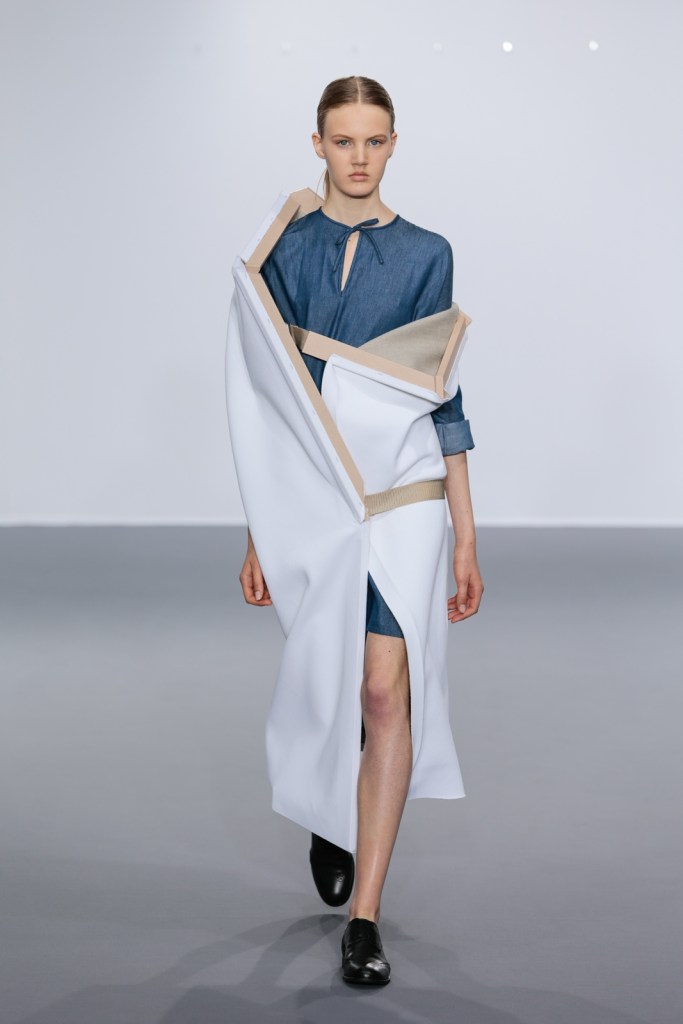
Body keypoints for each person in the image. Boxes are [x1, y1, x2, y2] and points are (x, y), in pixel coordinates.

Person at [237, 75, 484, 985]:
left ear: (393, 143)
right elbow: (270, 399)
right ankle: (330, 810)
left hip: (405, 493)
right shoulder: (287, 250)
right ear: (317, 144)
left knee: (386, 694)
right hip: (315, 499)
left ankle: (365, 918)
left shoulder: (427, 253)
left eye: (374, 141)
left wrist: (464, 531)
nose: (358, 158)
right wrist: (260, 528)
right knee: (334, 680)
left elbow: (438, 389)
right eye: (342, 141)